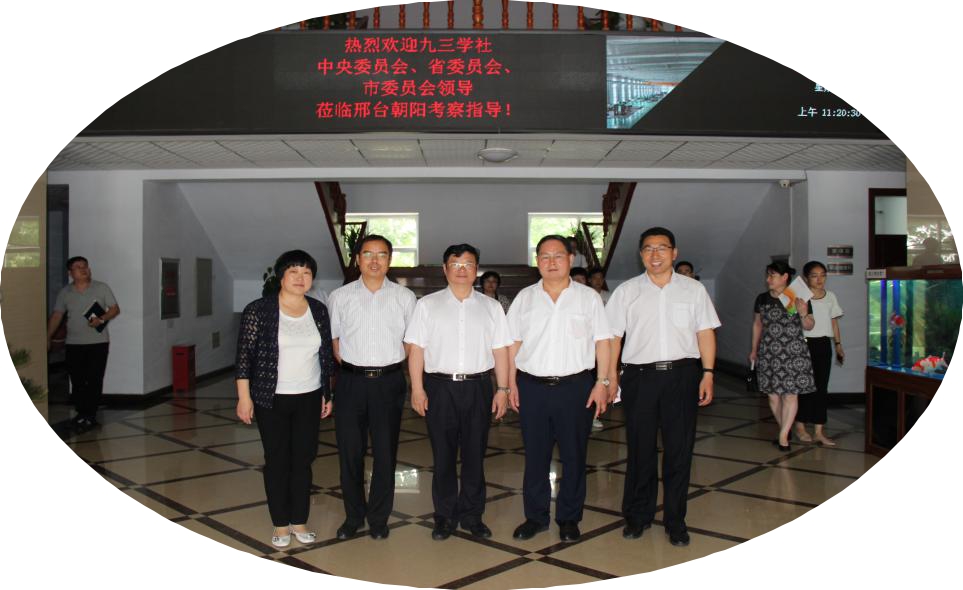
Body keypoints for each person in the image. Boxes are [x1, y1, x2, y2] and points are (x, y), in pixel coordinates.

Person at [606, 227, 720, 548]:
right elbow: (613, 337)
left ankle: (675, 520)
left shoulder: (693, 290)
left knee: (679, 451)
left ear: (674, 252)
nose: (655, 254)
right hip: (639, 378)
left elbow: (705, 333)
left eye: (661, 248)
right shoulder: (627, 291)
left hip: (682, 376)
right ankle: (637, 516)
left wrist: (708, 373)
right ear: (640, 254)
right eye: (648, 249)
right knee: (639, 449)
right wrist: (611, 376)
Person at [507, 235, 612, 543]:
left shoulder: (588, 298)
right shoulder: (525, 298)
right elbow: (513, 343)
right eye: (544, 256)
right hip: (532, 387)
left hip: (575, 387)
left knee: (574, 455)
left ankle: (569, 518)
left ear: (570, 259)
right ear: (537, 261)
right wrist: (510, 383)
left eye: (557, 256)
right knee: (535, 456)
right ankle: (535, 517)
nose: (551, 262)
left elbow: (602, 342)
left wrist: (602, 382)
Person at [405, 244, 512, 540]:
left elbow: (500, 351)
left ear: (476, 269)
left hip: (478, 387)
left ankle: (472, 515)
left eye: (468, 264)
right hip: (439, 387)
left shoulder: (491, 307)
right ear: (445, 269)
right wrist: (417, 388)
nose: (462, 269)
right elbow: (416, 350)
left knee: (475, 455)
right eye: (456, 264)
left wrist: (502, 389)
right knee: (443, 456)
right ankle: (444, 516)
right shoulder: (427, 305)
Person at [235, 250, 335, 548]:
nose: (300, 278)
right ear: (281, 276)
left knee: (303, 460)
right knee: (277, 460)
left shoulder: (318, 310)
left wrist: (327, 393)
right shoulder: (259, 310)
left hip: (310, 396)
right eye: (294, 272)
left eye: (306, 273)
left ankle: (299, 520)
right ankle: (280, 523)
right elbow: (244, 357)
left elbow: (325, 356)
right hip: (271, 397)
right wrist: (244, 398)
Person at [326, 234, 416, 541]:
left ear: (390, 260)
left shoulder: (405, 298)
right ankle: (353, 517)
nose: (374, 260)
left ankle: (379, 519)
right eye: (368, 254)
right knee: (349, 453)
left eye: (381, 254)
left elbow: (410, 342)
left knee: (385, 453)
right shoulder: (340, 297)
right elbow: (335, 341)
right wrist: (356, 368)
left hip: (389, 383)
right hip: (351, 382)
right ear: (358, 259)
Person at [47, 256, 120, 431]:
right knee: (77, 379)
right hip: (74, 343)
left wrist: (101, 319)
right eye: (78, 267)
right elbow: (57, 315)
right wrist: (47, 337)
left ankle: (90, 415)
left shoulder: (101, 287)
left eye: (85, 266)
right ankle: (82, 413)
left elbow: (114, 309)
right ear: (70, 272)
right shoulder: (65, 292)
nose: (83, 269)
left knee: (94, 379)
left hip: (98, 343)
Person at [749, 260, 816, 453]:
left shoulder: (796, 296)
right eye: (768, 275)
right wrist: (753, 349)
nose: (768, 279)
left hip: (793, 352)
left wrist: (803, 313)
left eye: (773, 275)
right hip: (769, 352)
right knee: (773, 396)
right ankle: (784, 430)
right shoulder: (762, 299)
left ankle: (783, 436)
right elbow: (757, 324)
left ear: (785, 277)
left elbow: (810, 325)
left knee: (790, 394)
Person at [794, 261, 844, 446]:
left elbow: (834, 323)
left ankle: (818, 431)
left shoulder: (831, 296)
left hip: (823, 344)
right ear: (806, 278)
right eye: (814, 276)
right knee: (804, 386)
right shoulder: (799, 296)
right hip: (804, 345)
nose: (819, 279)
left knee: (821, 387)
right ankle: (800, 427)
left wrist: (838, 344)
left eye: (823, 275)